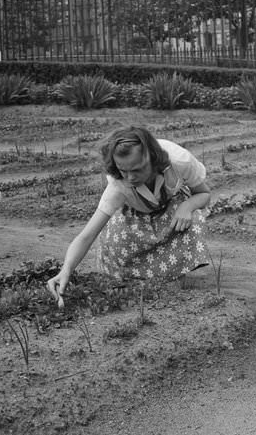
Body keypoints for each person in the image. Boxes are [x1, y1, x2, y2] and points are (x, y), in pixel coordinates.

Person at [47, 126, 211, 306]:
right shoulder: (118, 185)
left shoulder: (179, 161)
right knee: (116, 240)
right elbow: (87, 235)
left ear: (152, 158)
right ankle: (140, 276)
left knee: (193, 219)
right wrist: (66, 271)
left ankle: (175, 272)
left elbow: (203, 194)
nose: (131, 177)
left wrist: (187, 206)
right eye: (124, 171)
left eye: (137, 169)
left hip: (171, 209)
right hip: (136, 216)